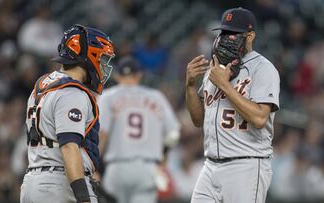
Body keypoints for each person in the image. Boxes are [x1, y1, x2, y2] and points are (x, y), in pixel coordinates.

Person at [186, 8, 280, 203]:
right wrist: (189, 85)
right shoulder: (215, 68)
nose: (227, 38)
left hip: (246, 166)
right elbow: (198, 120)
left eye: (233, 34)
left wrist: (224, 85)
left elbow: (260, 118)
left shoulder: (263, 69)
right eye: (224, 33)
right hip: (210, 165)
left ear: (250, 36)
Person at [20, 24, 115, 203]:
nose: (103, 66)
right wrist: (83, 197)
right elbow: (69, 147)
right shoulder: (72, 92)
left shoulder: (41, 86)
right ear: (88, 56)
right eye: (101, 58)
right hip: (60, 185)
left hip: (33, 182)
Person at [98, 56, 180, 203]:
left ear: (117, 76)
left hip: (117, 167)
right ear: (139, 75)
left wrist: (94, 168)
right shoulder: (157, 97)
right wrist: (163, 158)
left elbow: (101, 134)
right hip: (148, 168)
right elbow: (173, 134)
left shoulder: (108, 97)